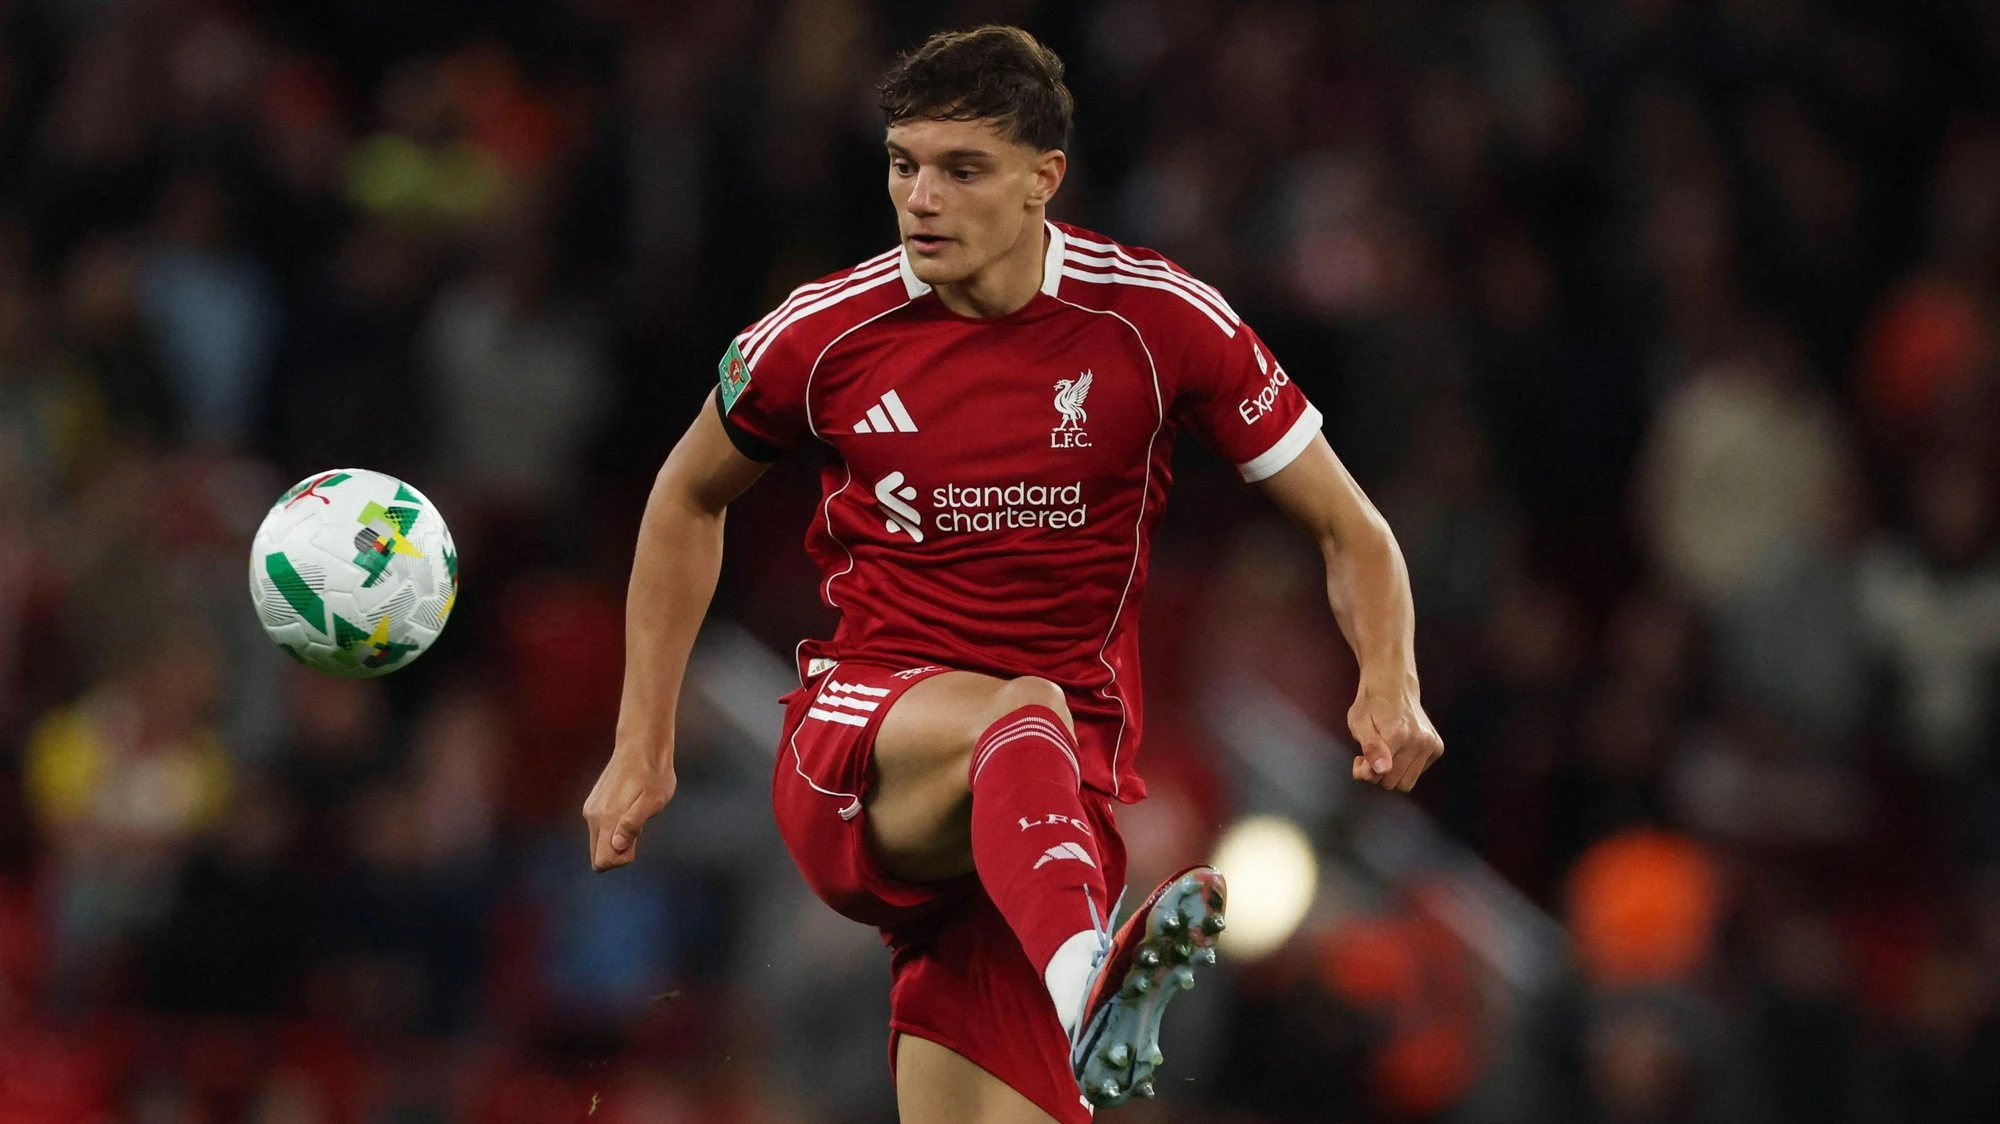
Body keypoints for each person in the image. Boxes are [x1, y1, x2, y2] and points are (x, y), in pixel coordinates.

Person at [582, 25, 1443, 1124]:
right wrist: (640, 744)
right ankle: (1092, 983)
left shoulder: (1156, 321)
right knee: (1021, 711)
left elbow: (1349, 527)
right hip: (865, 744)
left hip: (1044, 835)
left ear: (1044, 178)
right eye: (903, 165)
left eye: (961, 169)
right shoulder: (826, 330)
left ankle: (1078, 972)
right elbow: (684, 495)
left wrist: (1389, 677)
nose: (921, 199)